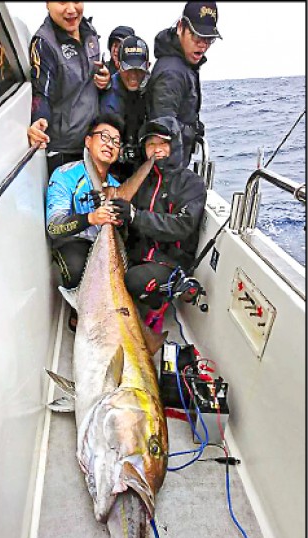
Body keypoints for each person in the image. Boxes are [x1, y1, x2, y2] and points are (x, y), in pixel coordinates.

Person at [110, 116, 207, 332]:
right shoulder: (141, 179)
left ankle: (159, 303)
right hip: (139, 253)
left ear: (175, 145)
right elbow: (128, 220)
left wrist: (135, 216)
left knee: (134, 281)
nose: (157, 149)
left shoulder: (191, 183)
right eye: (151, 144)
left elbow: (182, 225)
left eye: (163, 143)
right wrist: (119, 216)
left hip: (171, 261)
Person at [46, 113, 124, 331]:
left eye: (116, 142)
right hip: (72, 243)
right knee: (76, 264)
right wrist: (91, 218)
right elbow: (53, 227)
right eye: (104, 137)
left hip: (105, 249)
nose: (110, 144)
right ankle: (79, 311)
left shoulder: (117, 187)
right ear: (88, 141)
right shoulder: (64, 175)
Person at [27, 2, 111, 177]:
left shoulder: (89, 31)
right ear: (47, 4)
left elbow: (88, 77)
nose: (72, 9)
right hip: (64, 153)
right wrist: (38, 120)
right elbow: (42, 93)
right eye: (62, 2)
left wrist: (104, 80)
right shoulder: (44, 44)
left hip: (92, 143)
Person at [146, 1, 222, 167]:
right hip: (166, 174)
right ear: (181, 27)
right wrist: (191, 131)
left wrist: (193, 125)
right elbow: (161, 134)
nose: (203, 44)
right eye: (196, 36)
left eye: (209, 39)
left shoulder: (184, 65)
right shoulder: (172, 73)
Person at [100, 35, 150, 181]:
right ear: (118, 64)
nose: (134, 76)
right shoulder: (110, 98)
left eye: (139, 69)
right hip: (114, 171)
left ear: (148, 66)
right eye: (128, 69)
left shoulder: (152, 90)